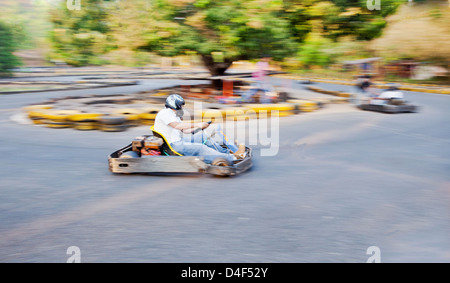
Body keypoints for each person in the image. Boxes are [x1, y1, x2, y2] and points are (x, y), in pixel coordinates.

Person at [153, 94, 246, 164]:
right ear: (174, 104)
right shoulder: (165, 113)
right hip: (173, 146)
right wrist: (197, 124)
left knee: (202, 137)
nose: (182, 107)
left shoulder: (173, 115)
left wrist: (200, 127)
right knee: (200, 148)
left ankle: (229, 152)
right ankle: (231, 158)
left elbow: (184, 130)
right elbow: (178, 126)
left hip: (178, 141)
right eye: (181, 105)